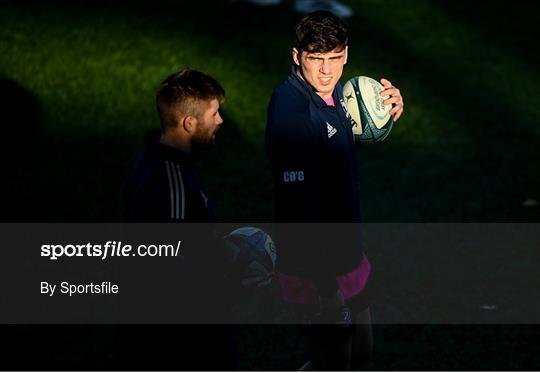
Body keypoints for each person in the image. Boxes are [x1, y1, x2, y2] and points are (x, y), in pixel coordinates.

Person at [265, 11, 404, 370]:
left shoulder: (337, 94)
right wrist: (328, 289)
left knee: (359, 354)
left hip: (347, 253)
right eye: (315, 59)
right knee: (333, 362)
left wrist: (384, 115)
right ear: (297, 57)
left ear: (345, 54)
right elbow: (300, 210)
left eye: (334, 58)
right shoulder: (291, 113)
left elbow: (334, 148)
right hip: (314, 271)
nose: (326, 71)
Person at [122, 69, 235, 370]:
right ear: (189, 123)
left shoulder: (150, 159)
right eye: (214, 113)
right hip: (185, 342)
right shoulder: (173, 182)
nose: (220, 120)